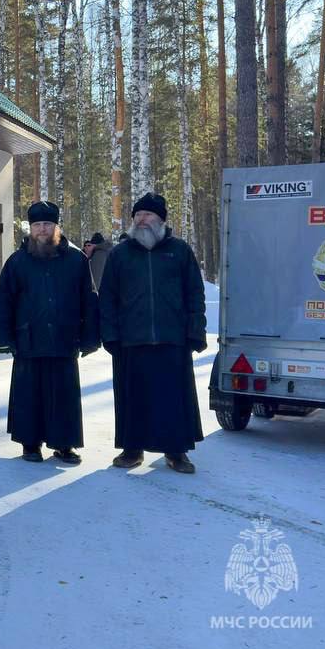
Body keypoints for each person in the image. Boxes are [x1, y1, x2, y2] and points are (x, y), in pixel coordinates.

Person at [99, 192, 208, 474]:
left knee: (173, 399)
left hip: (172, 339)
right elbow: (107, 297)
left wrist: (196, 330)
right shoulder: (119, 254)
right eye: (138, 215)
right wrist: (110, 334)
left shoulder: (180, 251)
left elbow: (195, 293)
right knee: (132, 398)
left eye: (148, 215)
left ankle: (176, 452)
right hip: (131, 340)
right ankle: (132, 450)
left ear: (161, 220)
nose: (142, 220)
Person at [0, 202, 100, 464]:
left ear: (56, 227)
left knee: (63, 394)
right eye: (37, 225)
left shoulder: (76, 260)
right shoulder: (17, 262)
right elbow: (4, 301)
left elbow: (89, 299)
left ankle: (65, 444)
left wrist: (89, 337)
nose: (42, 230)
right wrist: (4, 337)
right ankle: (30, 444)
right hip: (27, 339)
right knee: (29, 393)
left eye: (47, 225)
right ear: (31, 229)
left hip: (65, 339)